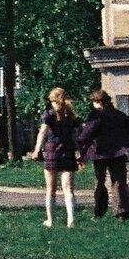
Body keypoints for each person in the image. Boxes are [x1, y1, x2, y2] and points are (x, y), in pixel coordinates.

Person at [77, 89, 129, 221]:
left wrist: (78, 139)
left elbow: (86, 134)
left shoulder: (96, 115)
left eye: (93, 101)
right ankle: (122, 212)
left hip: (100, 153)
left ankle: (98, 212)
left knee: (100, 183)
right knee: (119, 182)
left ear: (97, 102)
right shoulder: (119, 114)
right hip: (118, 153)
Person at [29, 87, 80, 228]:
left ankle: (50, 220)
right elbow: (75, 136)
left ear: (53, 100)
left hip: (52, 151)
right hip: (68, 151)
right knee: (68, 189)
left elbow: (42, 133)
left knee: (50, 189)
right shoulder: (71, 115)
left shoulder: (48, 115)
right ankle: (71, 219)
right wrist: (79, 151)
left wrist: (37, 150)